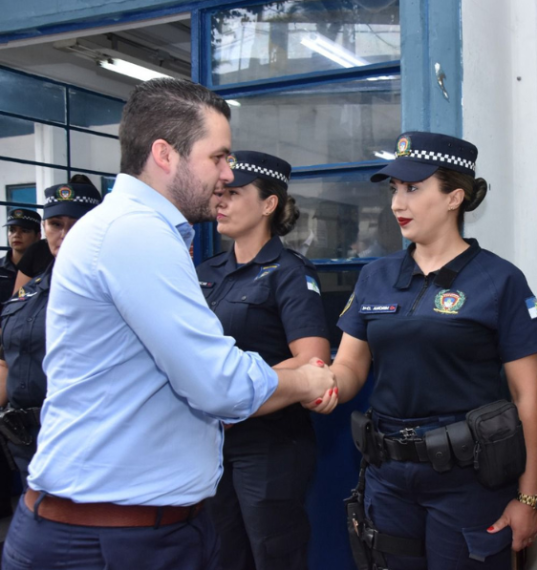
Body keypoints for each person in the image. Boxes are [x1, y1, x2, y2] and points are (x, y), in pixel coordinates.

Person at [1, 78, 336, 570]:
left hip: (135, 524)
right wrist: (307, 378)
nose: (225, 175)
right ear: (165, 154)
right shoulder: (135, 233)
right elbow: (217, 383)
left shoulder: (142, 231)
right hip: (111, 537)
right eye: (217, 158)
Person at [326, 132, 537, 569]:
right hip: (388, 477)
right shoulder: (375, 276)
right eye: (395, 190)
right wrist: (316, 384)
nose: (398, 204)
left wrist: (528, 497)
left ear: (454, 197)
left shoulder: (500, 280)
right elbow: (350, 368)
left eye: (413, 189)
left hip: (468, 480)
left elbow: (529, 398)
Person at [197, 150, 330, 570]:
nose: (220, 202)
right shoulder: (206, 271)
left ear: (269, 204)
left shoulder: (289, 272)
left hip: (270, 445)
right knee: (220, 555)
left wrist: (239, 393)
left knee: (274, 555)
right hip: (209, 442)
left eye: (233, 193)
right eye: (219, 193)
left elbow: (312, 360)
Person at [0, 183, 101, 484]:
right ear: (44, 229)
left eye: (77, 224)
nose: (65, 234)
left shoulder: (109, 288)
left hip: (84, 438)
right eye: (56, 224)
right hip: (27, 440)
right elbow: (7, 362)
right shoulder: (29, 292)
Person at [0, 208, 41, 301]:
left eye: (24, 230)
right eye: (12, 230)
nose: (16, 235)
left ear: (38, 236)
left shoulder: (45, 269)